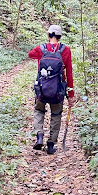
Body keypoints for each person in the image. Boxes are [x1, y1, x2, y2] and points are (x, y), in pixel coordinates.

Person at [28, 24, 75, 154]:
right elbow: (69, 73)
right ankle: (50, 144)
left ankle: (39, 135)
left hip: (42, 89)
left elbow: (30, 54)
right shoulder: (66, 50)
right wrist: (71, 94)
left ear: (48, 35)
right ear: (60, 37)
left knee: (39, 110)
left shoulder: (41, 49)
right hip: (58, 89)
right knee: (56, 115)